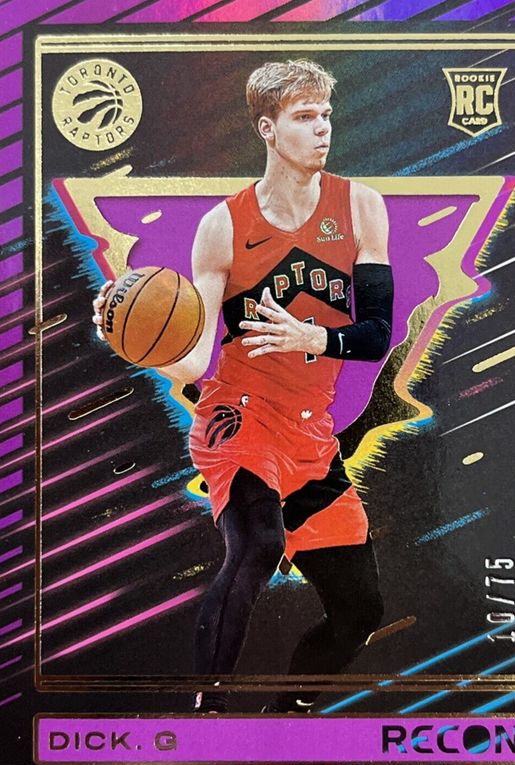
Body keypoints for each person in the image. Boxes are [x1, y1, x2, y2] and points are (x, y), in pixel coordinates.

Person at [93, 59, 393, 715]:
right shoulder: (224, 225)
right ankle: (206, 714)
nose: (322, 129)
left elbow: (376, 334)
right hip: (240, 416)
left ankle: (286, 717)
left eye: (326, 115)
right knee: (258, 544)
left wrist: (312, 338)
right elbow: (197, 360)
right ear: (267, 129)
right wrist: (132, 337)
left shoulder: (360, 207)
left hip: (310, 434)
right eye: (304, 117)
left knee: (359, 610)